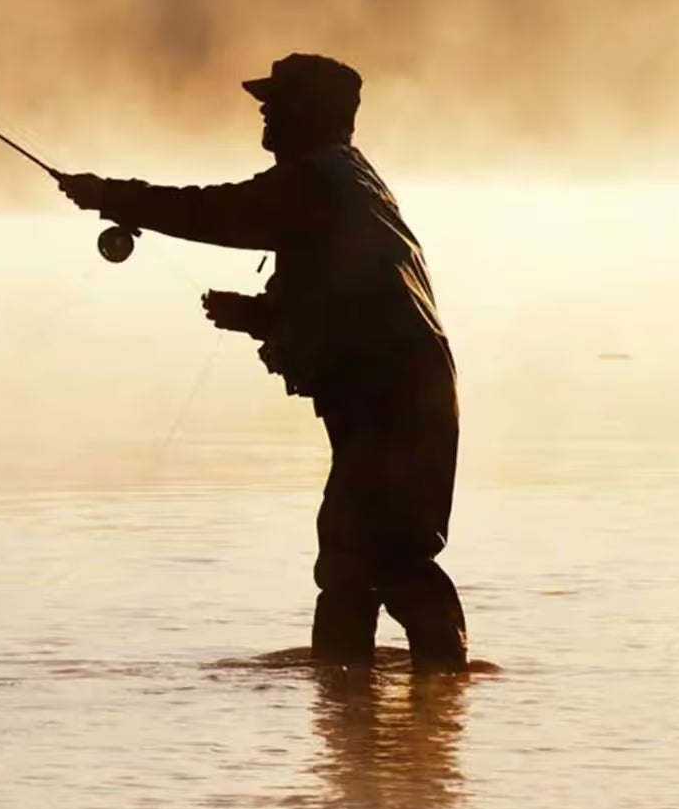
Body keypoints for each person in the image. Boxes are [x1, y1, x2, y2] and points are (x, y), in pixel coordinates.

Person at [57, 54, 469, 672]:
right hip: (400, 398)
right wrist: (257, 315)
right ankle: (369, 716)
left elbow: (215, 212)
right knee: (357, 559)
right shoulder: (348, 181)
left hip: (394, 402)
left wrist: (113, 197)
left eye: (277, 103)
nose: (265, 114)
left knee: (385, 558)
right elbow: (345, 295)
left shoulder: (315, 181)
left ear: (313, 113)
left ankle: (419, 703)